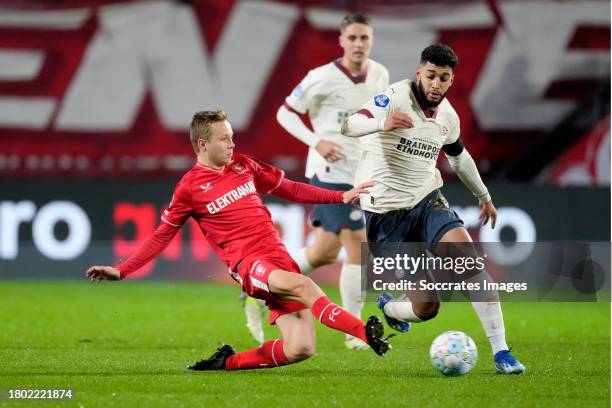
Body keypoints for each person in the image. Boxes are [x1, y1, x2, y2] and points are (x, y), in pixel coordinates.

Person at [85, 109, 392, 371]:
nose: (232, 144)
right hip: (251, 266)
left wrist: (341, 195)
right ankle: (363, 332)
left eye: (232, 137)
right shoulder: (189, 189)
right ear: (203, 144)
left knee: (301, 349)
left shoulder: (243, 165)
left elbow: (292, 189)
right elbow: (161, 236)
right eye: (224, 139)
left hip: (278, 258)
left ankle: (226, 363)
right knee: (305, 286)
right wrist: (122, 270)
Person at [340, 44, 526, 374]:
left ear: (452, 79)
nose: (436, 84)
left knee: (468, 260)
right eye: (430, 76)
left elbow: (459, 156)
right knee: (426, 308)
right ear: (419, 74)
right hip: (386, 216)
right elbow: (350, 125)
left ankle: (502, 353)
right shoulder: (395, 97)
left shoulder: (449, 117)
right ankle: (392, 308)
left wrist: (483, 195)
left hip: (427, 201)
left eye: (443, 78)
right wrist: (381, 123)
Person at [251, 12, 389, 350]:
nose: (358, 44)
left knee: (325, 252)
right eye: (352, 38)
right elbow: (284, 112)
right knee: (359, 246)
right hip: (328, 175)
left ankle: (260, 288)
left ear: (372, 40)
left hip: (361, 174)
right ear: (341, 41)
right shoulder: (321, 77)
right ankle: (353, 333)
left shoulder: (381, 75)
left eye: (364, 38)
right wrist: (316, 141)